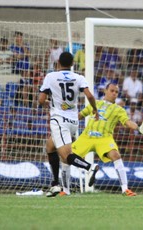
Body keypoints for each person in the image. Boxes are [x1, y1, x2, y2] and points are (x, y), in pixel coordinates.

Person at [71, 83, 143, 196]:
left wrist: (138, 128)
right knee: (66, 156)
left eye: (116, 92)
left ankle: (125, 189)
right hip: (87, 136)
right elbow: (80, 115)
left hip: (104, 138)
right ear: (105, 91)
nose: (114, 93)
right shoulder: (94, 103)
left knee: (116, 155)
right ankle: (65, 190)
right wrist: (67, 123)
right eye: (112, 90)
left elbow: (127, 122)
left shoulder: (118, 109)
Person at [38, 52, 100, 197]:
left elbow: (41, 100)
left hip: (59, 120)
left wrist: (50, 104)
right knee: (50, 146)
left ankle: (90, 167)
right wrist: (95, 110)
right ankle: (55, 184)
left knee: (66, 156)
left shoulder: (51, 76)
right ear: (72, 64)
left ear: (58, 62)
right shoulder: (79, 77)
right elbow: (90, 96)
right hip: (73, 121)